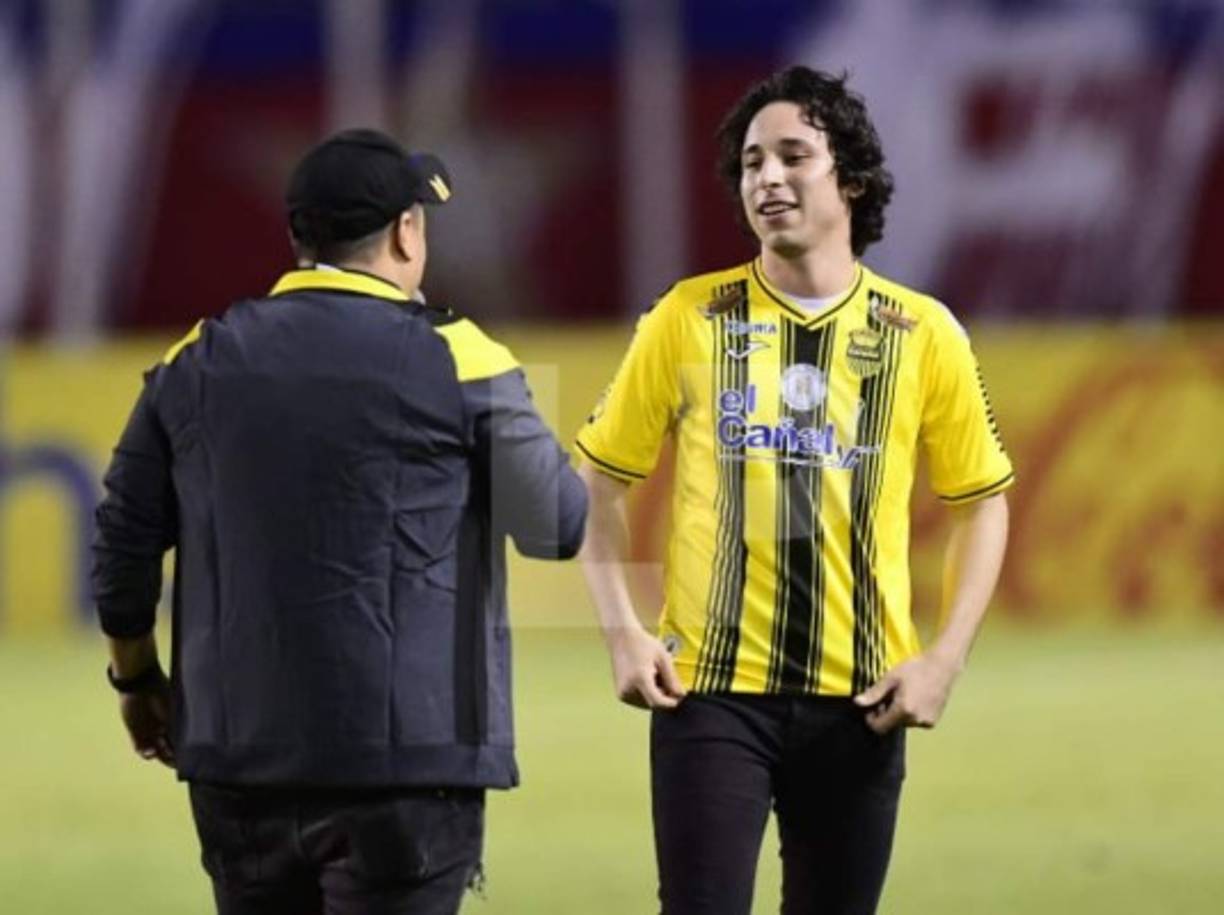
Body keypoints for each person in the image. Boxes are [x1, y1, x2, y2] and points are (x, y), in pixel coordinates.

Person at [93, 128, 587, 915]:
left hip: (238, 760)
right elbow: (556, 525)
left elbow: (122, 541)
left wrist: (137, 678)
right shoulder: (462, 356)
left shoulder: (199, 356)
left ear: (298, 239)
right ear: (406, 232)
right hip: (411, 767)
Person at [577, 66, 1012, 915]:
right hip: (711, 697)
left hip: (863, 702)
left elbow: (982, 501)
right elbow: (594, 484)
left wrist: (944, 660)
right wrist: (624, 635)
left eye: (791, 156)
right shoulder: (689, 319)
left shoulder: (923, 334)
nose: (766, 178)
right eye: (750, 163)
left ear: (846, 176)